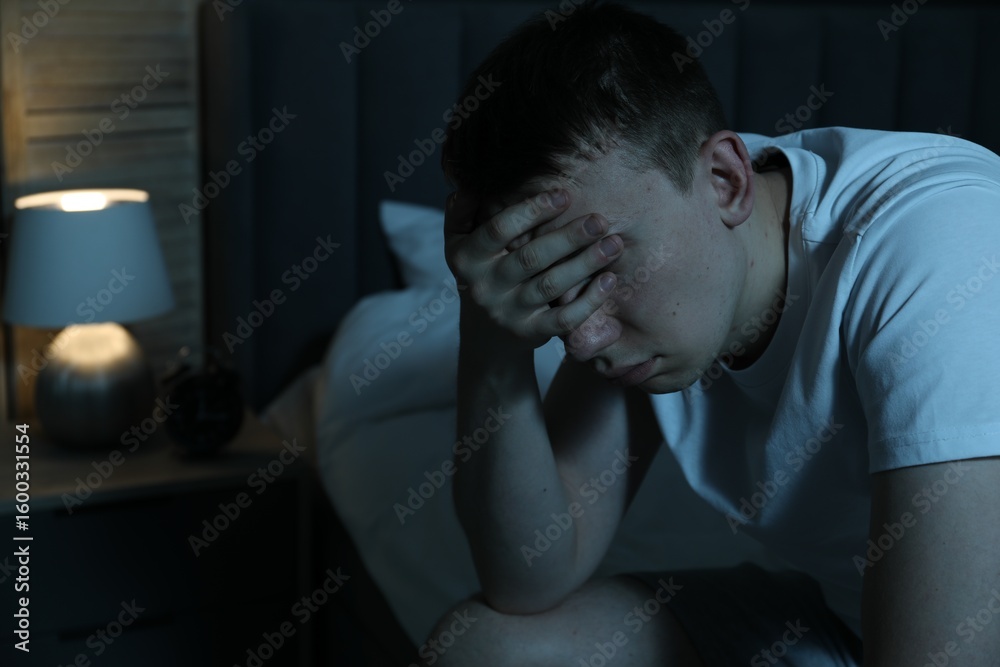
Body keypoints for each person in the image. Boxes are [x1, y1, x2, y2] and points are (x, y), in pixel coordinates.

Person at [427, 1, 1000, 665]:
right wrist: (493, 338)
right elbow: (529, 578)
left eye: (605, 269)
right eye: (555, 290)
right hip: (850, 622)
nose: (582, 341)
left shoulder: (940, 251)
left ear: (727, 181)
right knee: (485, 649)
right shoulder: (663, 226)